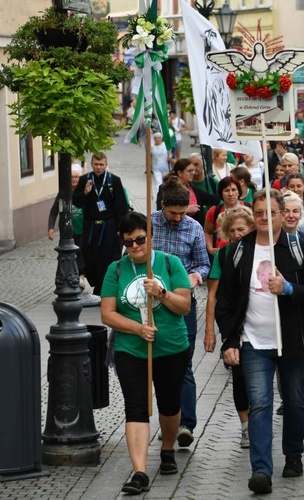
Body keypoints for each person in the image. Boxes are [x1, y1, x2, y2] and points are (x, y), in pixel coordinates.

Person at [216, 189, 304, 494]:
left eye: (272, 212)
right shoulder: (238, 250)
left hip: (292, 342)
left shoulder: (298, 247)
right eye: (259, 212)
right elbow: (224, 300)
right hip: (254, 342)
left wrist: (290, 288)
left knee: (295, 402)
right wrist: (230, 340)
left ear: (282, 215)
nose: (265, 218)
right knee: (260, 404)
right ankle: (261, 470)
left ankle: (293, 453)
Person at [100, 211, 192, 494]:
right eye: (129, 242)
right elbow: (107, 314)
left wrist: (162, 292)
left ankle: (166, 448)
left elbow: (185, 306)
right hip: (131, 348)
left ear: (150, 236)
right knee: (136, 407)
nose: (136, 247)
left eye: (141, 239)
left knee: (169, 402)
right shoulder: (116, 269)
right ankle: (139, 472)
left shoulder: (169, 262)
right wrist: (137, 329)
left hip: (171, 347)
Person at [151, 180, 211, 449]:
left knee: (183, 364)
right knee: (154, 364)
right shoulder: (149, 224)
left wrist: (195, 276)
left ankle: (186, 424)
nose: (178, 218)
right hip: (151, 304)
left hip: (182, 303)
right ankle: (163, 419)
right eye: (174, 213)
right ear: (163, 206)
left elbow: (203, 264)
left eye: (182, 212)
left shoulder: (193, 227)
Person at [204, 207, 255, 449]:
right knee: (239, 376)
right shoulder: (223, 256)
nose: (236, 234)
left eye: (241, 229)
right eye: (232, 230)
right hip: (234, 324)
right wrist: (211, 331)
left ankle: (259, 421)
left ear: (251, 229)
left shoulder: (261, 251)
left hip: (258, 322)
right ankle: (245, 426)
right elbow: (212, 294)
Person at [72, 152, 130, 296]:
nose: (98, 168)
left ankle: (103, 289)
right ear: (91, 164)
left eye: (101, 165)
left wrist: (120, 228)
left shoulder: (114, 181)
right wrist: (85, 192)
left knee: (109, 257)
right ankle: (96, 284)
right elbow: (76, 202)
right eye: (96, 164)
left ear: (106, 165)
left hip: (109, 226)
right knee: (90, 258)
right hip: (90, 226)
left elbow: (121, 206)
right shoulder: (85, 179)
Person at [48, 163, 86, 287]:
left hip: (83, 230)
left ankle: (80, 277)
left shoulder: (84, 191)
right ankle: (69, 278)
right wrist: (51, 228)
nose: (74, 179)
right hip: (67, 231)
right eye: (72, 177)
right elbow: (54, 211)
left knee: (81, 254)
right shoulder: (63, 193)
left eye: (77, 177)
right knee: (67, 255)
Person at [156, 158, 211, 226]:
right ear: (180, 173)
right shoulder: (165, 188)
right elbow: (160, 210)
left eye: (193, 171)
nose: (192, 174)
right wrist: (186, 210)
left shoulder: (193, 189)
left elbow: (212, 199)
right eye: (189, 171)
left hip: (191, 229)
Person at [204, 176, 246, 256]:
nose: (230, 194)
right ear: (221, 193)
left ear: (238, 192)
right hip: (222, 254)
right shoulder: (214, 211)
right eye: (226, 190)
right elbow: (207, 231)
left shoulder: (248, 208)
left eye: (233, 190)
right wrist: (210, 248)